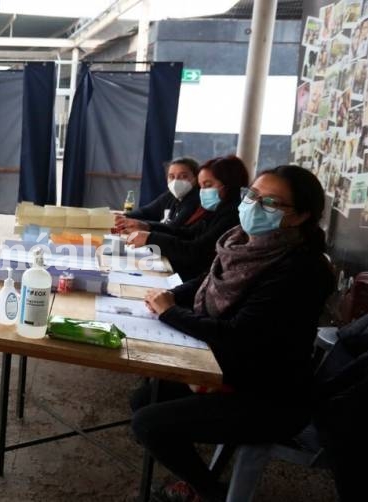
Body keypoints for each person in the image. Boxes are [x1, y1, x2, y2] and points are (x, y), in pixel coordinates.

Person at [131, 165, 335, 502]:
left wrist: (171, 312)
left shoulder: (301, 270)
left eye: (271, 203)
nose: (254, 205)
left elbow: (238, 336)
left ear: (300, 217)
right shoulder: (241, 240)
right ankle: (202, 478)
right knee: (144, 398)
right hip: (229, 365)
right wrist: (166, 298)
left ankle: (209, 491)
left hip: (267, 394)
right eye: (253, 195)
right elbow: (208, 283)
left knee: (149, 424)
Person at [125, 155, 249, 281]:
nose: (203, 191)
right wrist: (147, 227)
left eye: (208, 185)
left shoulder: (232, 216)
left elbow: (195, 251)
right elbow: (186, 232)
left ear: (228, 184)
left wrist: (150, 237)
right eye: (202, 187)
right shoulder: (215, 210)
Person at [114, 157, 201, 233]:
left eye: (183, 176)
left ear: (196, 178)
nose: (176, 181)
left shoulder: (196, 200)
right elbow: (145, 212)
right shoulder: (170, 195)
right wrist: (123, 217)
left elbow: (174, 227)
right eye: (171, 176)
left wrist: (144, 225)